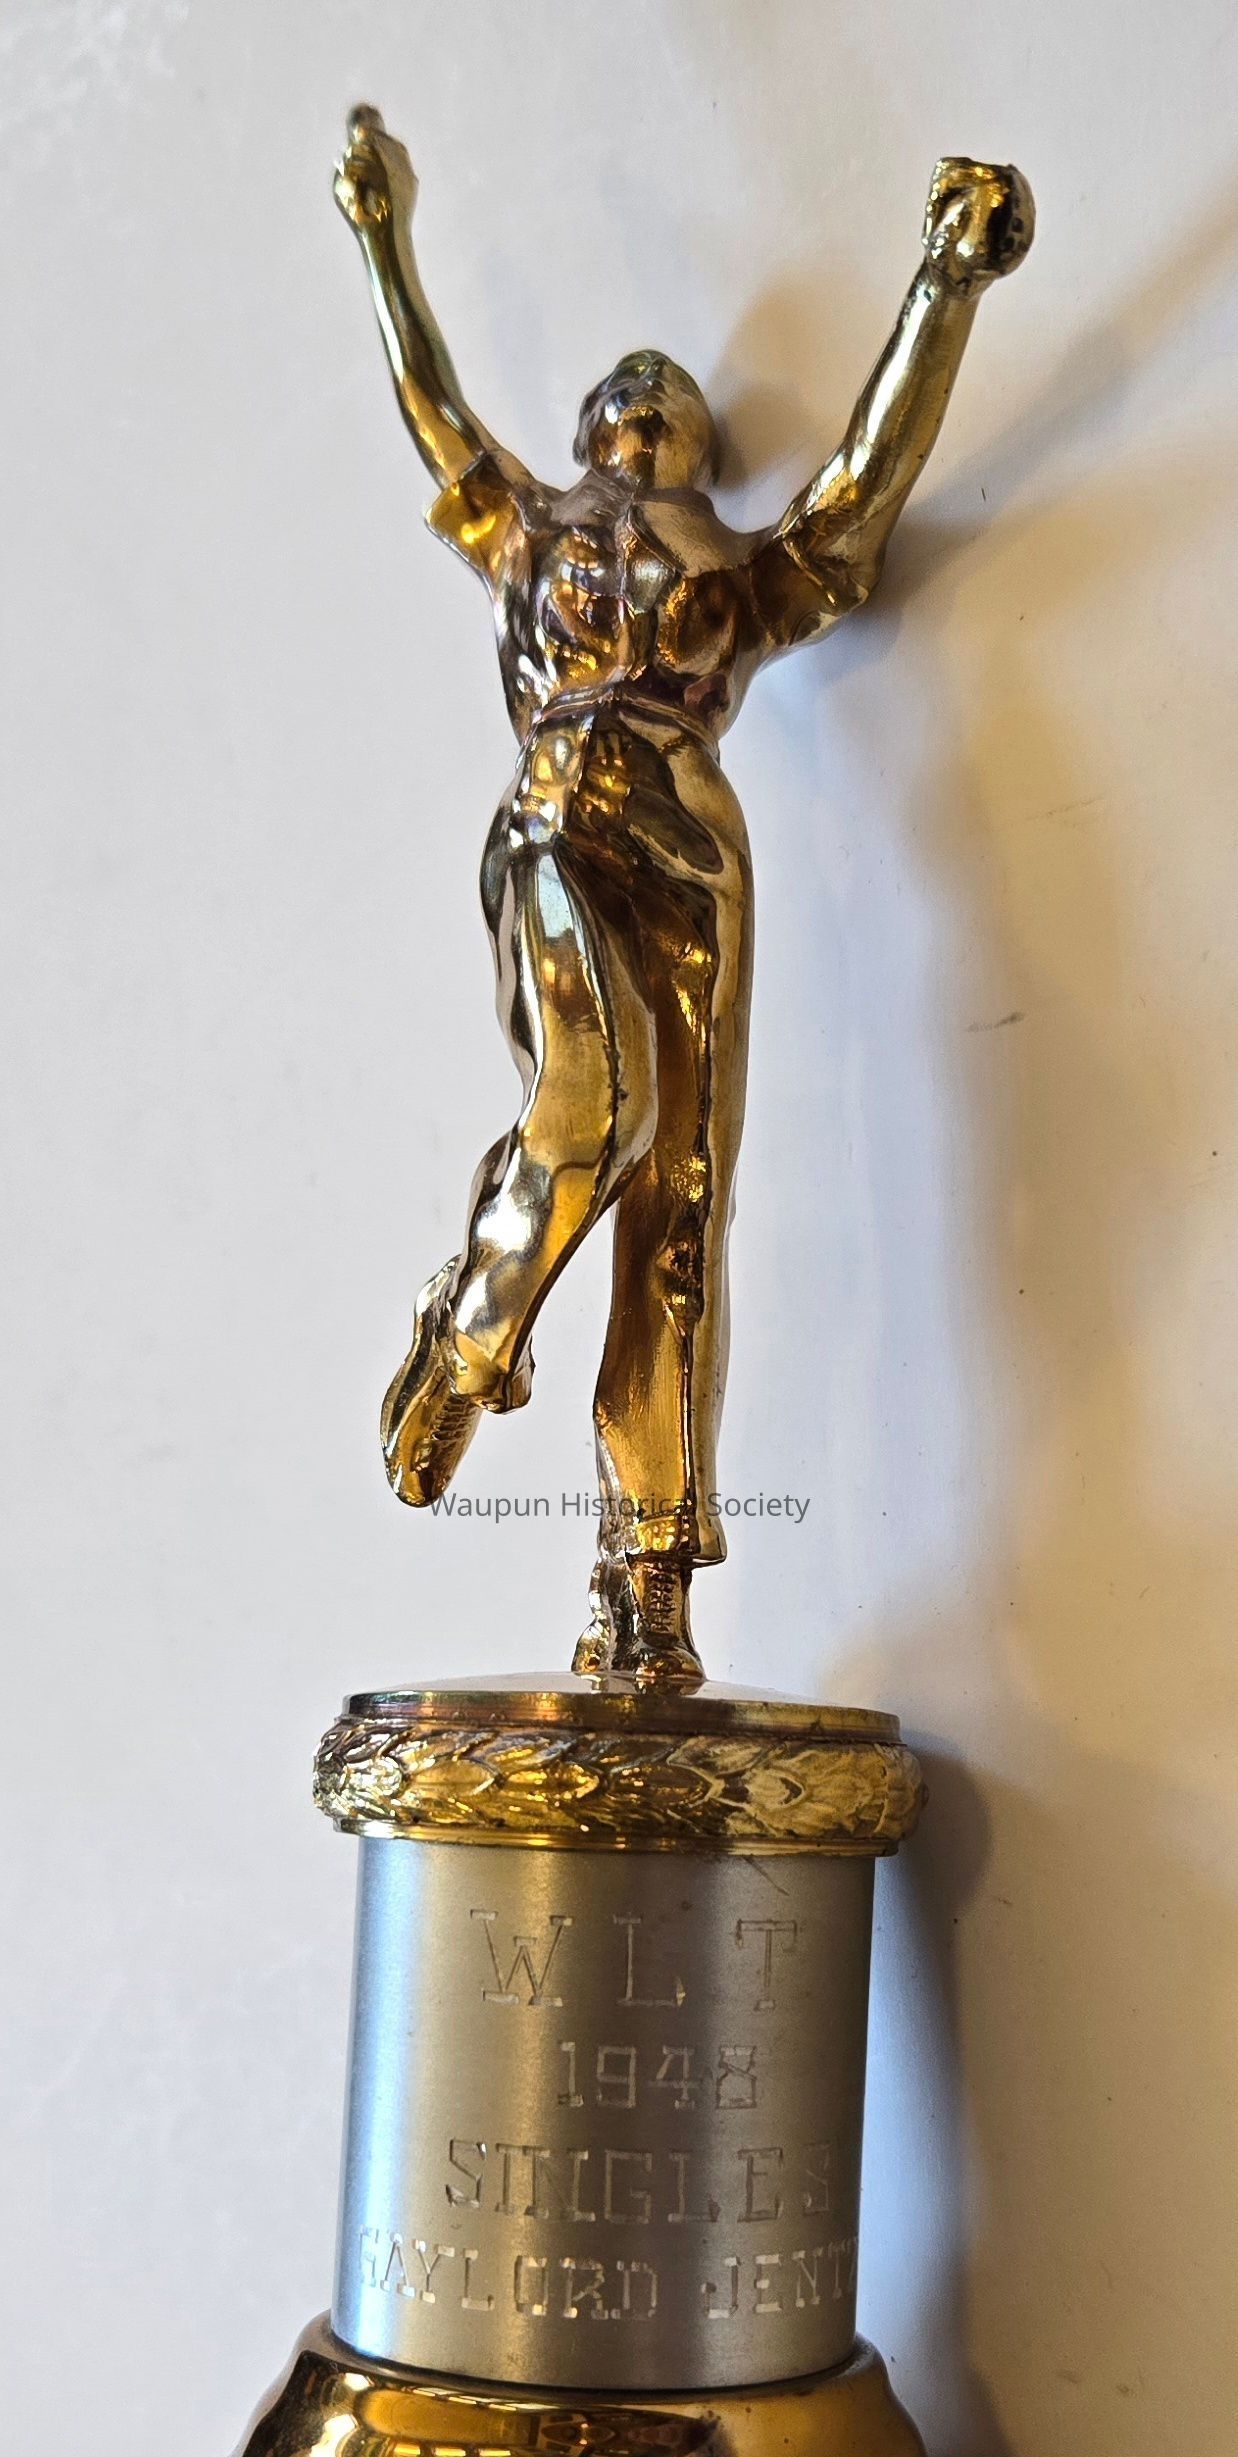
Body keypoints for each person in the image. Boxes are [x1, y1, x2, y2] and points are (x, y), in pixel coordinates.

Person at [334, 109, 1033, 1685]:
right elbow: (431, 409)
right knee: (591, 1110)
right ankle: (468, 1338)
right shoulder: (523, 527)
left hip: (696, 850)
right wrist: (380, 240)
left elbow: (854, 491)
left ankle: (643, 1589)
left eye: (671, 393)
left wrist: (945, 283)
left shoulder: (741, 567)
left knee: (682, 1213)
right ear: (585, 431)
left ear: (703, 448)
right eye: (620, 387)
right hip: (554, 814)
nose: (645, 389)